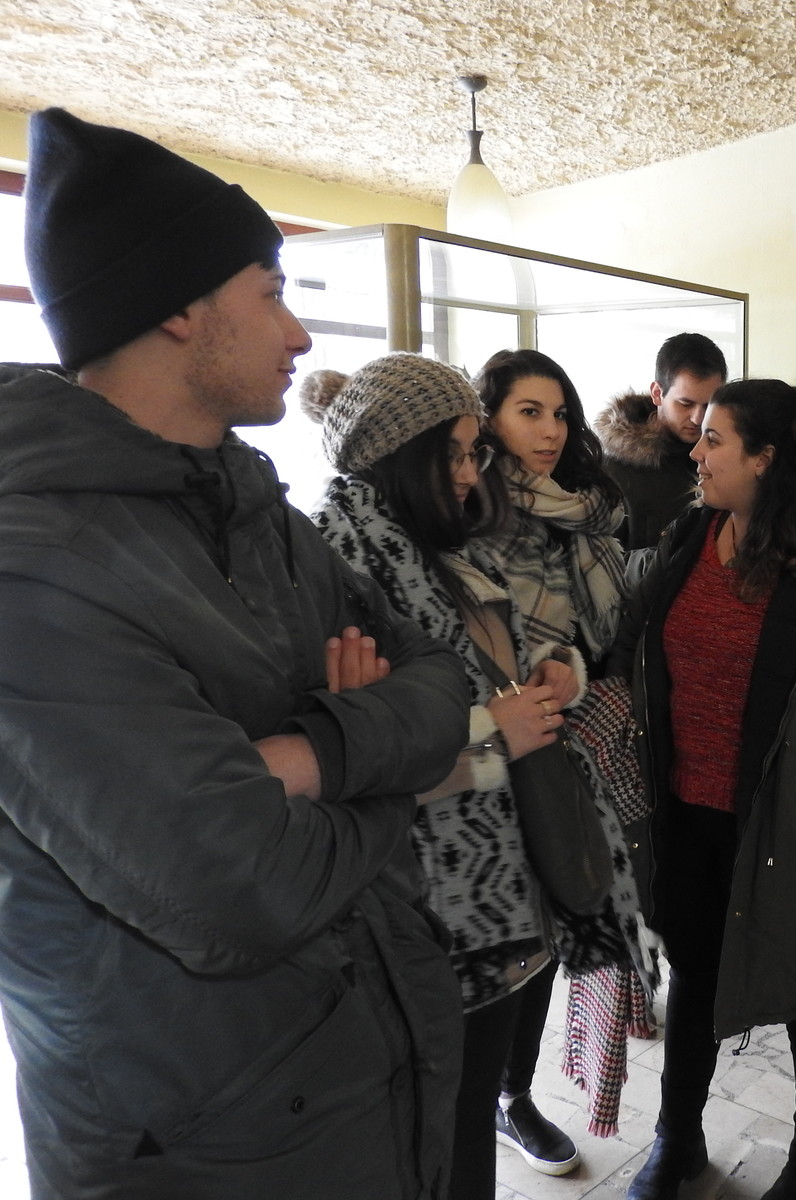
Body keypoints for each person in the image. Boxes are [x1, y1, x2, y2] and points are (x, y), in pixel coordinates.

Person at [0, 109, 469, 1198]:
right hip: (204, 1143)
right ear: (177, 307)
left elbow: (442, 683)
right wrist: (384, 770)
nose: (299, 338)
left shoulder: (255, 511)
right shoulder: (33, 568)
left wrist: (305, 760)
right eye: (271, 292)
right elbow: (243, 888)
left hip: (360, 1074)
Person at [607, 375, 796, 1200]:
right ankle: (677, 1141)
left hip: (787, 822)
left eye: (715, 440)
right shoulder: (693, 534)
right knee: (695, 975)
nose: (696, 453)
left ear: (765, 458)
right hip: (689, 811)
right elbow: (636, 637)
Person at [310, 353, 578, 1200]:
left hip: (485, 896)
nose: (470, 474)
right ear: (400, 454)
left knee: (463, 1125)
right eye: (454, 454)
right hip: (423, 906)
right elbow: (352, 757)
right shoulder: (337, 563)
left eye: (473, 452)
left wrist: (552, 672)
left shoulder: (424, 545)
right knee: (435, 1134)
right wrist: (496, 734)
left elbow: (489, 665)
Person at [472, 347, 631, 1171]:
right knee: (493, 932)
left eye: (560, 413)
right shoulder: (461, 505)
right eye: (529, 412)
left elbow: (586, 636)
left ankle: (514, 1094)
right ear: (488, 416)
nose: (550, 430)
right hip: (471, 757)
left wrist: (567, 667)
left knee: (548, 922)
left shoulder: (577, 514)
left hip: (552, 740)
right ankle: (479, 1099)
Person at [596, 331, 728, 551]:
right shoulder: (612, 471)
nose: (698, 418)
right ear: (657, 393)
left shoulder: (731, 461)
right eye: (685, 404)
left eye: (709, 405)